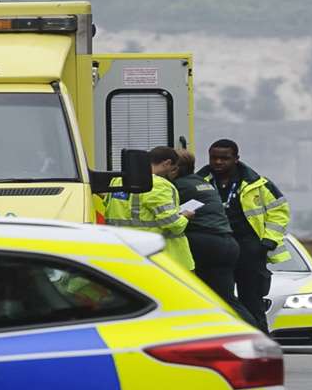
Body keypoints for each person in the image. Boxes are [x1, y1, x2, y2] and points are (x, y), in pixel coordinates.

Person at [168, 147, 259, 327]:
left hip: (202, 242)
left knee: (188, 294)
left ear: (174, 168)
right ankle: (254, 334)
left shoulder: (176, 187)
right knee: (225, 298)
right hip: (226, 243)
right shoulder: (201, 183)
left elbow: (165, 218)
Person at [207, 139, 290, 329]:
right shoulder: (200, 182)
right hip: (216, 248)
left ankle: (260, 339)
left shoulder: (258, 184)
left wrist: (268, 241)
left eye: (224, 158)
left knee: (252, 300)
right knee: (218, 299)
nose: (218, 162)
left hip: (249, 249)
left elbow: (279, 212)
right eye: (214, 158)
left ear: (236, 159)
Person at [102, 146, 192, 270]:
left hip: (123, 251)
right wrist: (185, 216)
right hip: (160, 256)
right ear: (167, 163)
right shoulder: (159, 185)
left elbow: (109, 207)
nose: (172, 173)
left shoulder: (118, 180)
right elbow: (173, 224)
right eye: (173, 168)